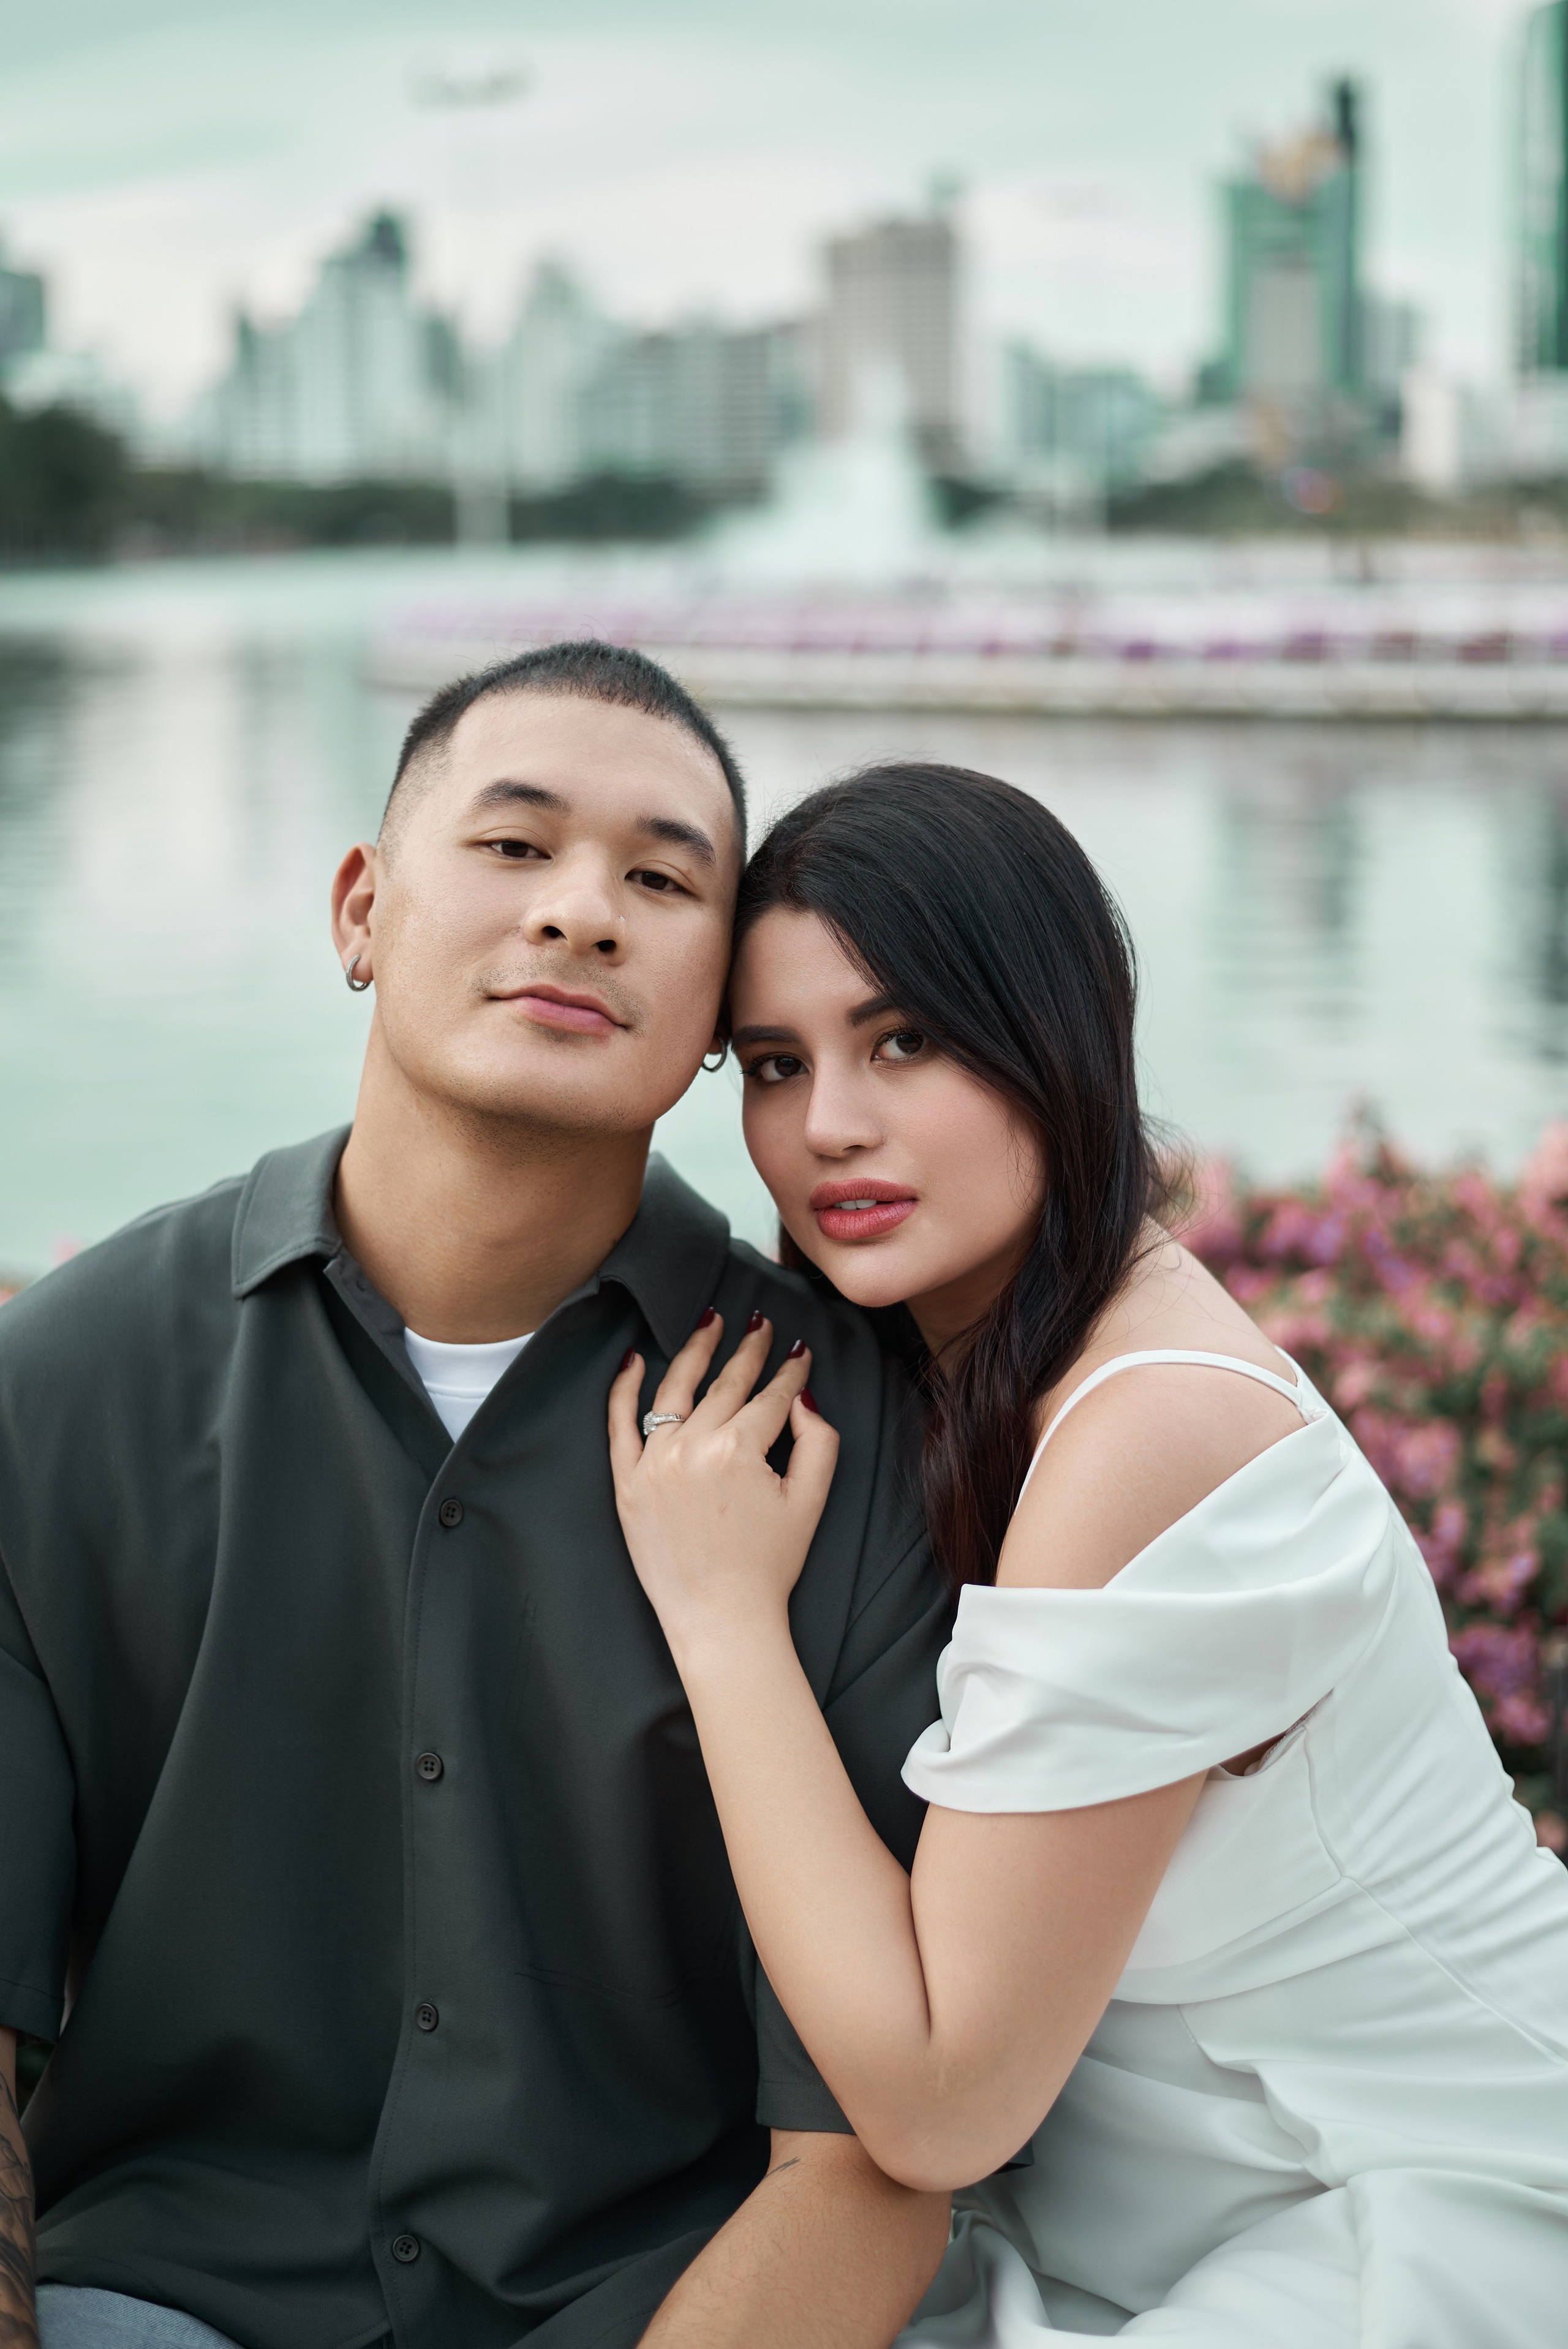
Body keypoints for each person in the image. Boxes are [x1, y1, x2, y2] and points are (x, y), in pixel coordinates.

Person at [0, 647, 956, 2349]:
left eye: (662, 880)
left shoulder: (855, 1420)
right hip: (163, 2295)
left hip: (667, 2300)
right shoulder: (58, 1387)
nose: (585, 914)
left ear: (716, 1011)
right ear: (362, 910)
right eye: (514, 848)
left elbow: (868, 2155)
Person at [609, 760, 1568, 2347]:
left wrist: (721, 1615)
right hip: (1190, 2210)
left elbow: (935, 2104)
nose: (828, 1124)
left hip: (1430, 2205)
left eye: (902, 1038)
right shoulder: (989, 1368)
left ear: (1053, 1034)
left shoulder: (1146, 1427)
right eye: (774, 1062)